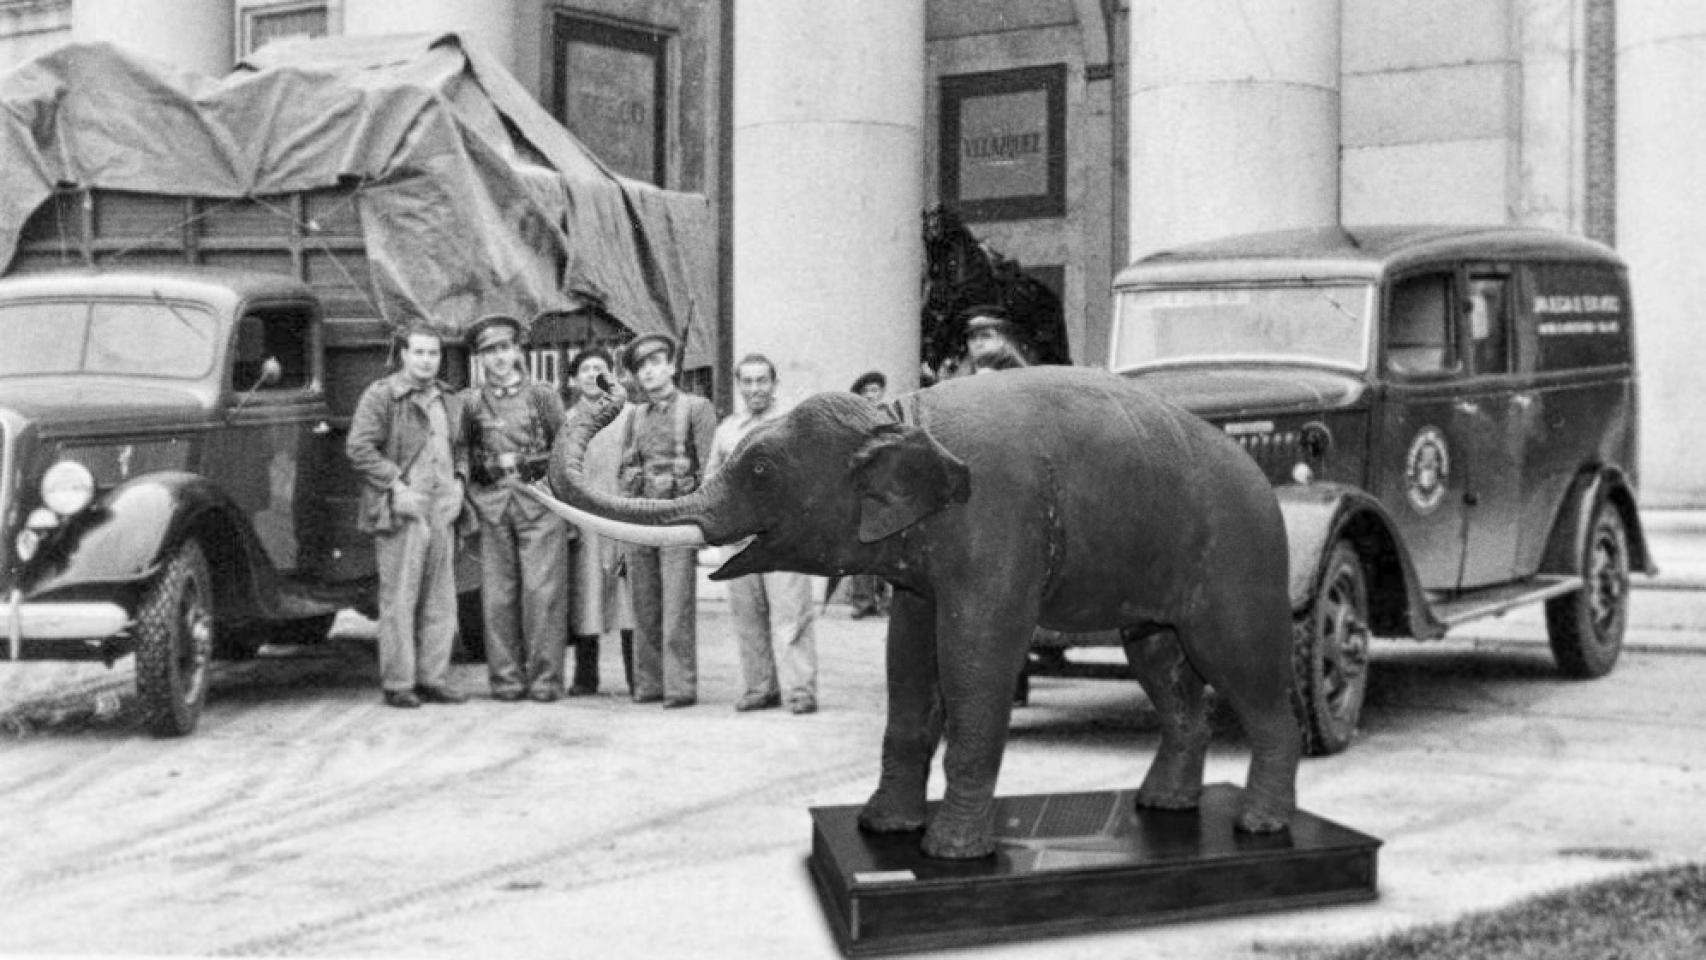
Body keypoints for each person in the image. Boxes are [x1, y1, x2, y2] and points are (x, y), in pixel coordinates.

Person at [345, 322, 471, 709]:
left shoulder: (450, 398)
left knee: (441, 598)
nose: (426, 360)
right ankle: (399, 682)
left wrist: (460, 484)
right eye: (418, 352)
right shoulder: (382, 395)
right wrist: (396, 487)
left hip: (442, 506)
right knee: (400, 597)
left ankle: (433, 677)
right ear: (403, 355)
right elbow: (359, 448)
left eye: (433, 353)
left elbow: (463, 446)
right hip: (405, 508)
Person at [460, 314, 571, 703]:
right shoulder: (471, 402)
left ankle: (545, 680)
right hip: (492, 503)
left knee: (542, 595)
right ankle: (505, 681)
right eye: (490, 351)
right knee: (497, 597)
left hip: (539, 502)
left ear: (518, 350)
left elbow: (566, 449)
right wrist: (471, 492)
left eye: (505, 348)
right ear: (480, 358)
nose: (500, 358)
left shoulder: (542, 396)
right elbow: (462, 452)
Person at [709, 354, 820, 714]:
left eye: (761, 381)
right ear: (738, 385)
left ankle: (800, 690)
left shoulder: (794, 425)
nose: (755, 388)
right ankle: (760, 687)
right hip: (741, 538)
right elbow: (712, 481)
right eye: (748, 381)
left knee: (791, 615)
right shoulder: (727, 430)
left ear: (774, 384)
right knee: (747, 615)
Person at [616, 332, 717, 708]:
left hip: (677, 518)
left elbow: (711, 468)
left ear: (672, 366)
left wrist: (703, 522)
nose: (650, 372)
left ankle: (679, 687)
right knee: (644, 606)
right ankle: (649, 684)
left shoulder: (696, 408)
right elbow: (625, 469)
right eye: (642, 367)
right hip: (641, 519)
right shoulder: (635, 416)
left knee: (676, 607)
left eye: (656, 363)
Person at [560, 345, 637, 696]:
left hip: (623, 517)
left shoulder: (631, 415)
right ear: (573, 379)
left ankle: (639, 677)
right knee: (586, 599)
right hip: (585, 521)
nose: (592, 374)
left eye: (600, 368)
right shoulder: (566, 420)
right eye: (585, 369)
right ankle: (585, 677)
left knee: (628, 599)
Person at [845, 370, 891, 619]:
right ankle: (862, 602)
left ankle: (886, 602)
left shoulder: (890, 417)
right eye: (867, 392)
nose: (873, 395)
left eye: (876, 390)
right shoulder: (852, 422)